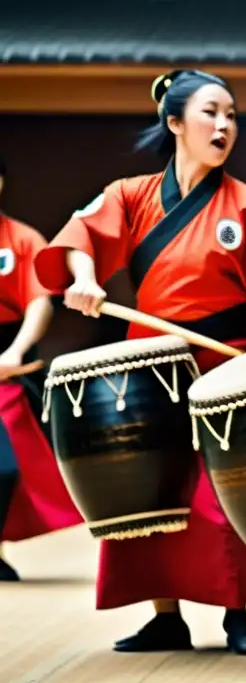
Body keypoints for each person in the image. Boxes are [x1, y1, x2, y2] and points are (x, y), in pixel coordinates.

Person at [34, 70, 246, 655]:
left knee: (222, 496)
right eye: (212, 113)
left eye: (233, 115)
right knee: (145, 491)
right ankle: (166, 616)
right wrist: (86, 283)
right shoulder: (131, 194)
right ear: (175, 123)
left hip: (224, 365)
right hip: (148, 365)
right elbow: (80, 242)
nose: (224, 125)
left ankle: (236, 615)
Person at [0, 154, 83, 581]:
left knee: (7, 468)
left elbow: (38, 301)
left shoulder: (20, 239)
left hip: (6, 362)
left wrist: (15, 352)